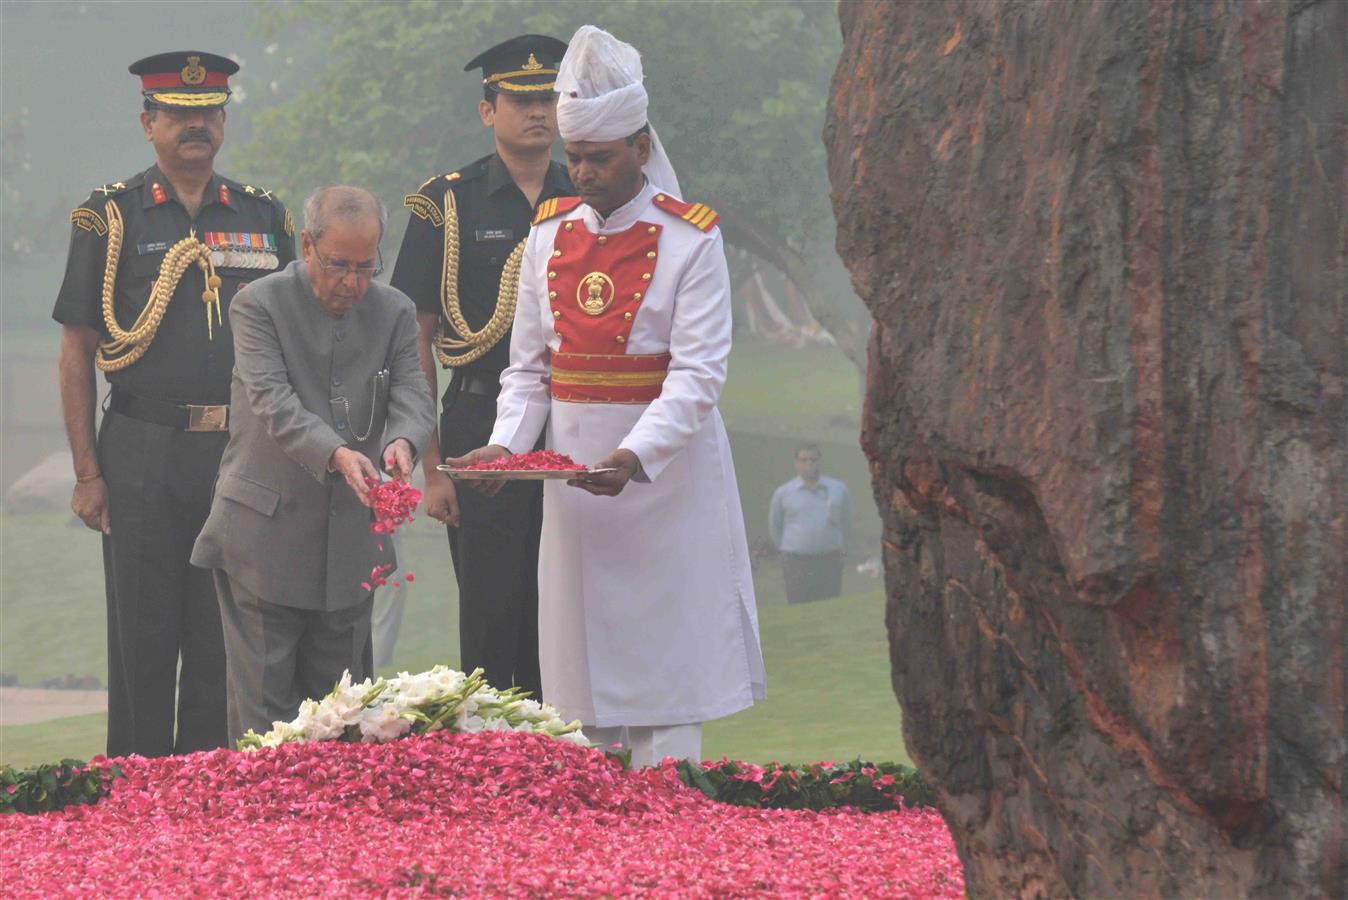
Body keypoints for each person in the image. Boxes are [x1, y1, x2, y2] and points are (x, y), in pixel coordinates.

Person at [450, 25, 766, 767]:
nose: (582, 173)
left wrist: (634, 454)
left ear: (643, 148)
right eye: (575, 157)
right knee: (578, 669)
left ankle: (675, 803)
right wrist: (505, 449)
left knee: (665, 661)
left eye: (600, 157)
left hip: (664, 478)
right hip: (571, 481)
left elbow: (696, 378)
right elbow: (527, 373)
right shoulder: (547, 236)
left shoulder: (693, 240)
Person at [52, 51, 295, 757]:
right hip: (142, 446)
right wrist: (88, 472)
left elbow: (290, 337)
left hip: (237, 450)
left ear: (224, 121)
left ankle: (206, 789)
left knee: (224, 630)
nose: (197, 126)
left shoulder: (262, 213)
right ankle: (134, 787)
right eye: (180, 115)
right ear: (147, 122)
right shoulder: (110, 217)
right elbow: (77, 351)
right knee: (142, 630)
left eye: (209, 113)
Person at [191, 186, 435, 744]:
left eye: (366, 267)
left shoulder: (393, 310)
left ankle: (337, 834)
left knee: (345, 720)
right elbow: (273, 402)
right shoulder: (257, 304)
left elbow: (414, 395)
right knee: (269, 728)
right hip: (263, 536)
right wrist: (338, 453)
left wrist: (401, 443)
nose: (352, 283)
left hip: (352, 548)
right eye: (339, 266)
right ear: (306, 244)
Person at [391, 34, 573, 701]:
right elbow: (415, 340)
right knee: (494, 606)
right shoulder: (446, 204)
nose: (537, 112)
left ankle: (577, 762)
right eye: (520, 99)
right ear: (486, 111)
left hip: (576, 418)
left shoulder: (589, 192)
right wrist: (433, 469)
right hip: (478, 413)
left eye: (548, 98)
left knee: (571, 603)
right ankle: (501, 765)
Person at [769, 443, 852, 604]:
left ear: (820, 461)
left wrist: (839, 546)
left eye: (813, 460)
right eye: (804, 460)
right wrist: (787, 550)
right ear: (796, 463)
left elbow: (846, 522)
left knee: (829, 605)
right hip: (796, 562)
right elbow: (775, 526)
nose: (809, 464)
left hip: (829, 559)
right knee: (798, 606)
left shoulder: (838, 489)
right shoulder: (783, 493)